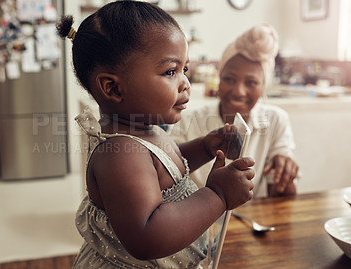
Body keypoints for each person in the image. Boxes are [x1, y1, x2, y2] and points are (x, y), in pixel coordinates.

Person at [56, 1, 255, 268]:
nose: (185, 82)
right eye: (170, 71)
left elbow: (165, 168)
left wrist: (206, 147)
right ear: (113, 88)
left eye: (184, 69)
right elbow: (147, 235)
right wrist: (218, 195)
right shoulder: (119, 155)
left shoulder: (146, 129)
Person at [170, 24, 299, 198]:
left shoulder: (276, 120)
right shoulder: (187, 121)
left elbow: (280, 199)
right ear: (219, 79)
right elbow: (167, 184)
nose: (239, 91)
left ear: (263, 86)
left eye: (251, 82)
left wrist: (285, 176)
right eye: (229, 79)